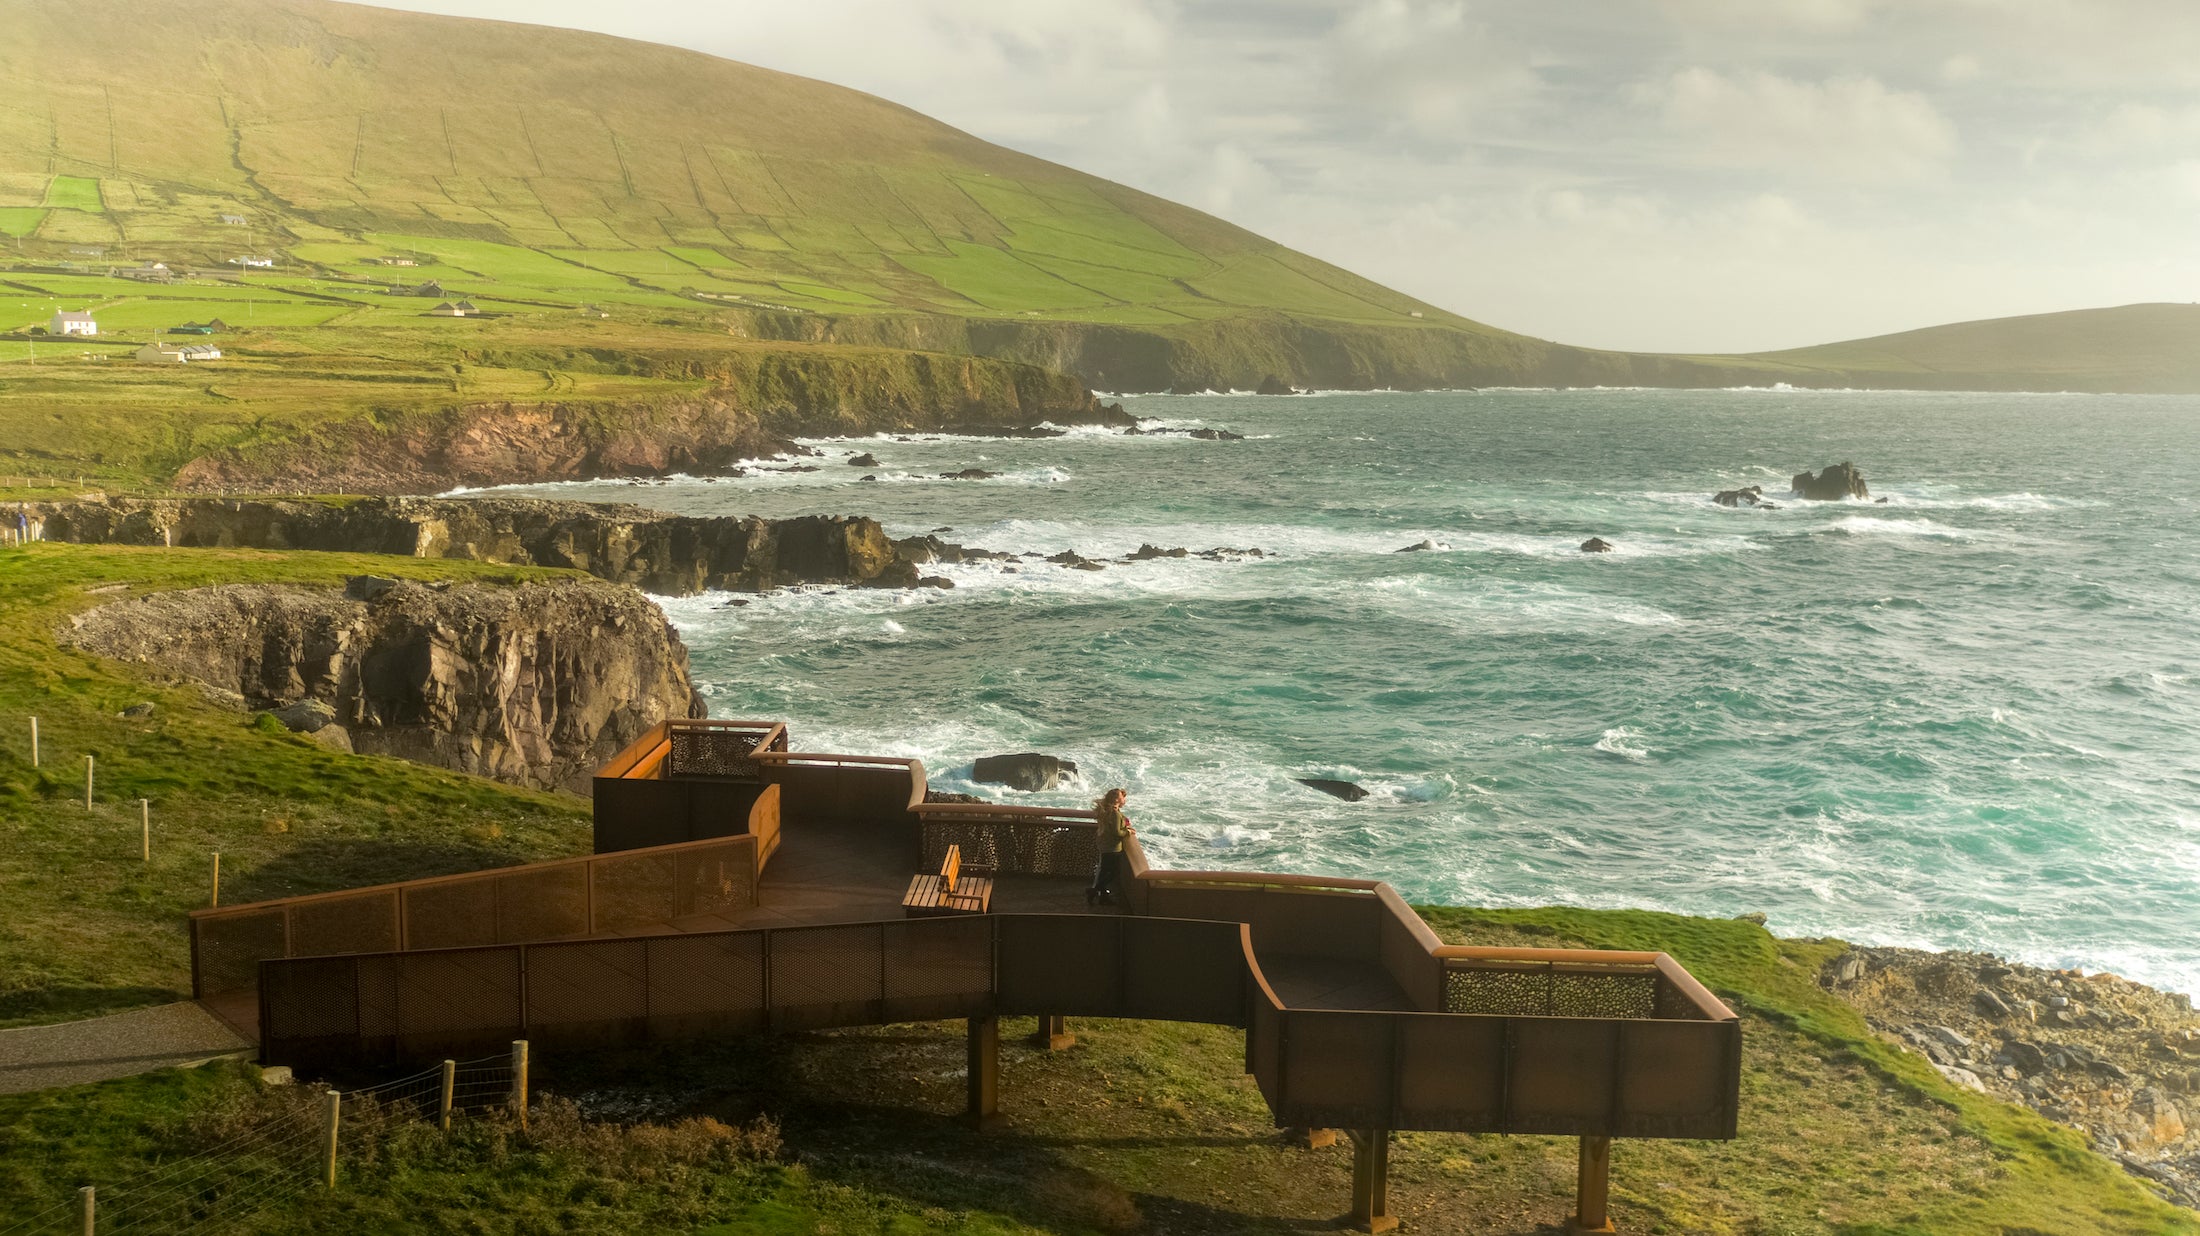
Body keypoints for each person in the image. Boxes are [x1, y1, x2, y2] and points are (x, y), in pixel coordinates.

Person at [1087, 787, 1134, 907]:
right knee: (1113, 873)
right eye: (1123, 797)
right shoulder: (1115, 814)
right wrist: (1128, 832)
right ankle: (1094, 891)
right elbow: (1117, 832)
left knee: (1104, 872)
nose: (1125, 799)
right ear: (1117, 800)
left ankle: (1103, 897)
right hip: (1113, 848)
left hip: (1105, 846)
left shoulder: (1108, 811)